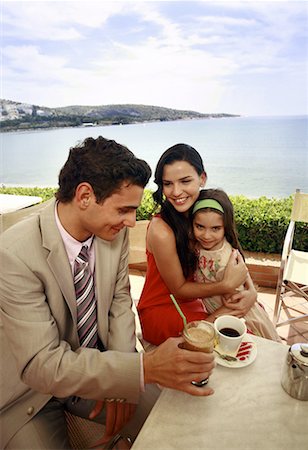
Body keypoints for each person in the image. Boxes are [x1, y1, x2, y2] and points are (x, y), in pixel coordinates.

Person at [0, 137, 216, 450]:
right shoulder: (14, 253)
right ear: (85, 195)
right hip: (32, 393)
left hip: (101, 368)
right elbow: (41, 365)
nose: (131, 221)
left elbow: (120, 306)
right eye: (124, 210)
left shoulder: (112, 233)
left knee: (183, 422)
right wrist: (143, 368)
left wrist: (123, 382)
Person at [137, 143, 256, 346]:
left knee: (247, 318)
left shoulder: (204, 209)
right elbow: (179, 289)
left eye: (185, 181)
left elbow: (230, 251)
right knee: (236, 332)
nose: (176, 192)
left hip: (198, 300)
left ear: (202, 178)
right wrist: (226, 285)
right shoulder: (162, 230)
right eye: (167, 183)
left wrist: (251, 291)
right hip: (164, 307)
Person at [192, 188, 281, 341]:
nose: (206, 236)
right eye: (200, 226)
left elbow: (235, 304)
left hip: (237, 319)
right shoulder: (196, 245)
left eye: (215, 228)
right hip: (217, 313)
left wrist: (205, 324)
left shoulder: (226, 260)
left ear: (226, 227)